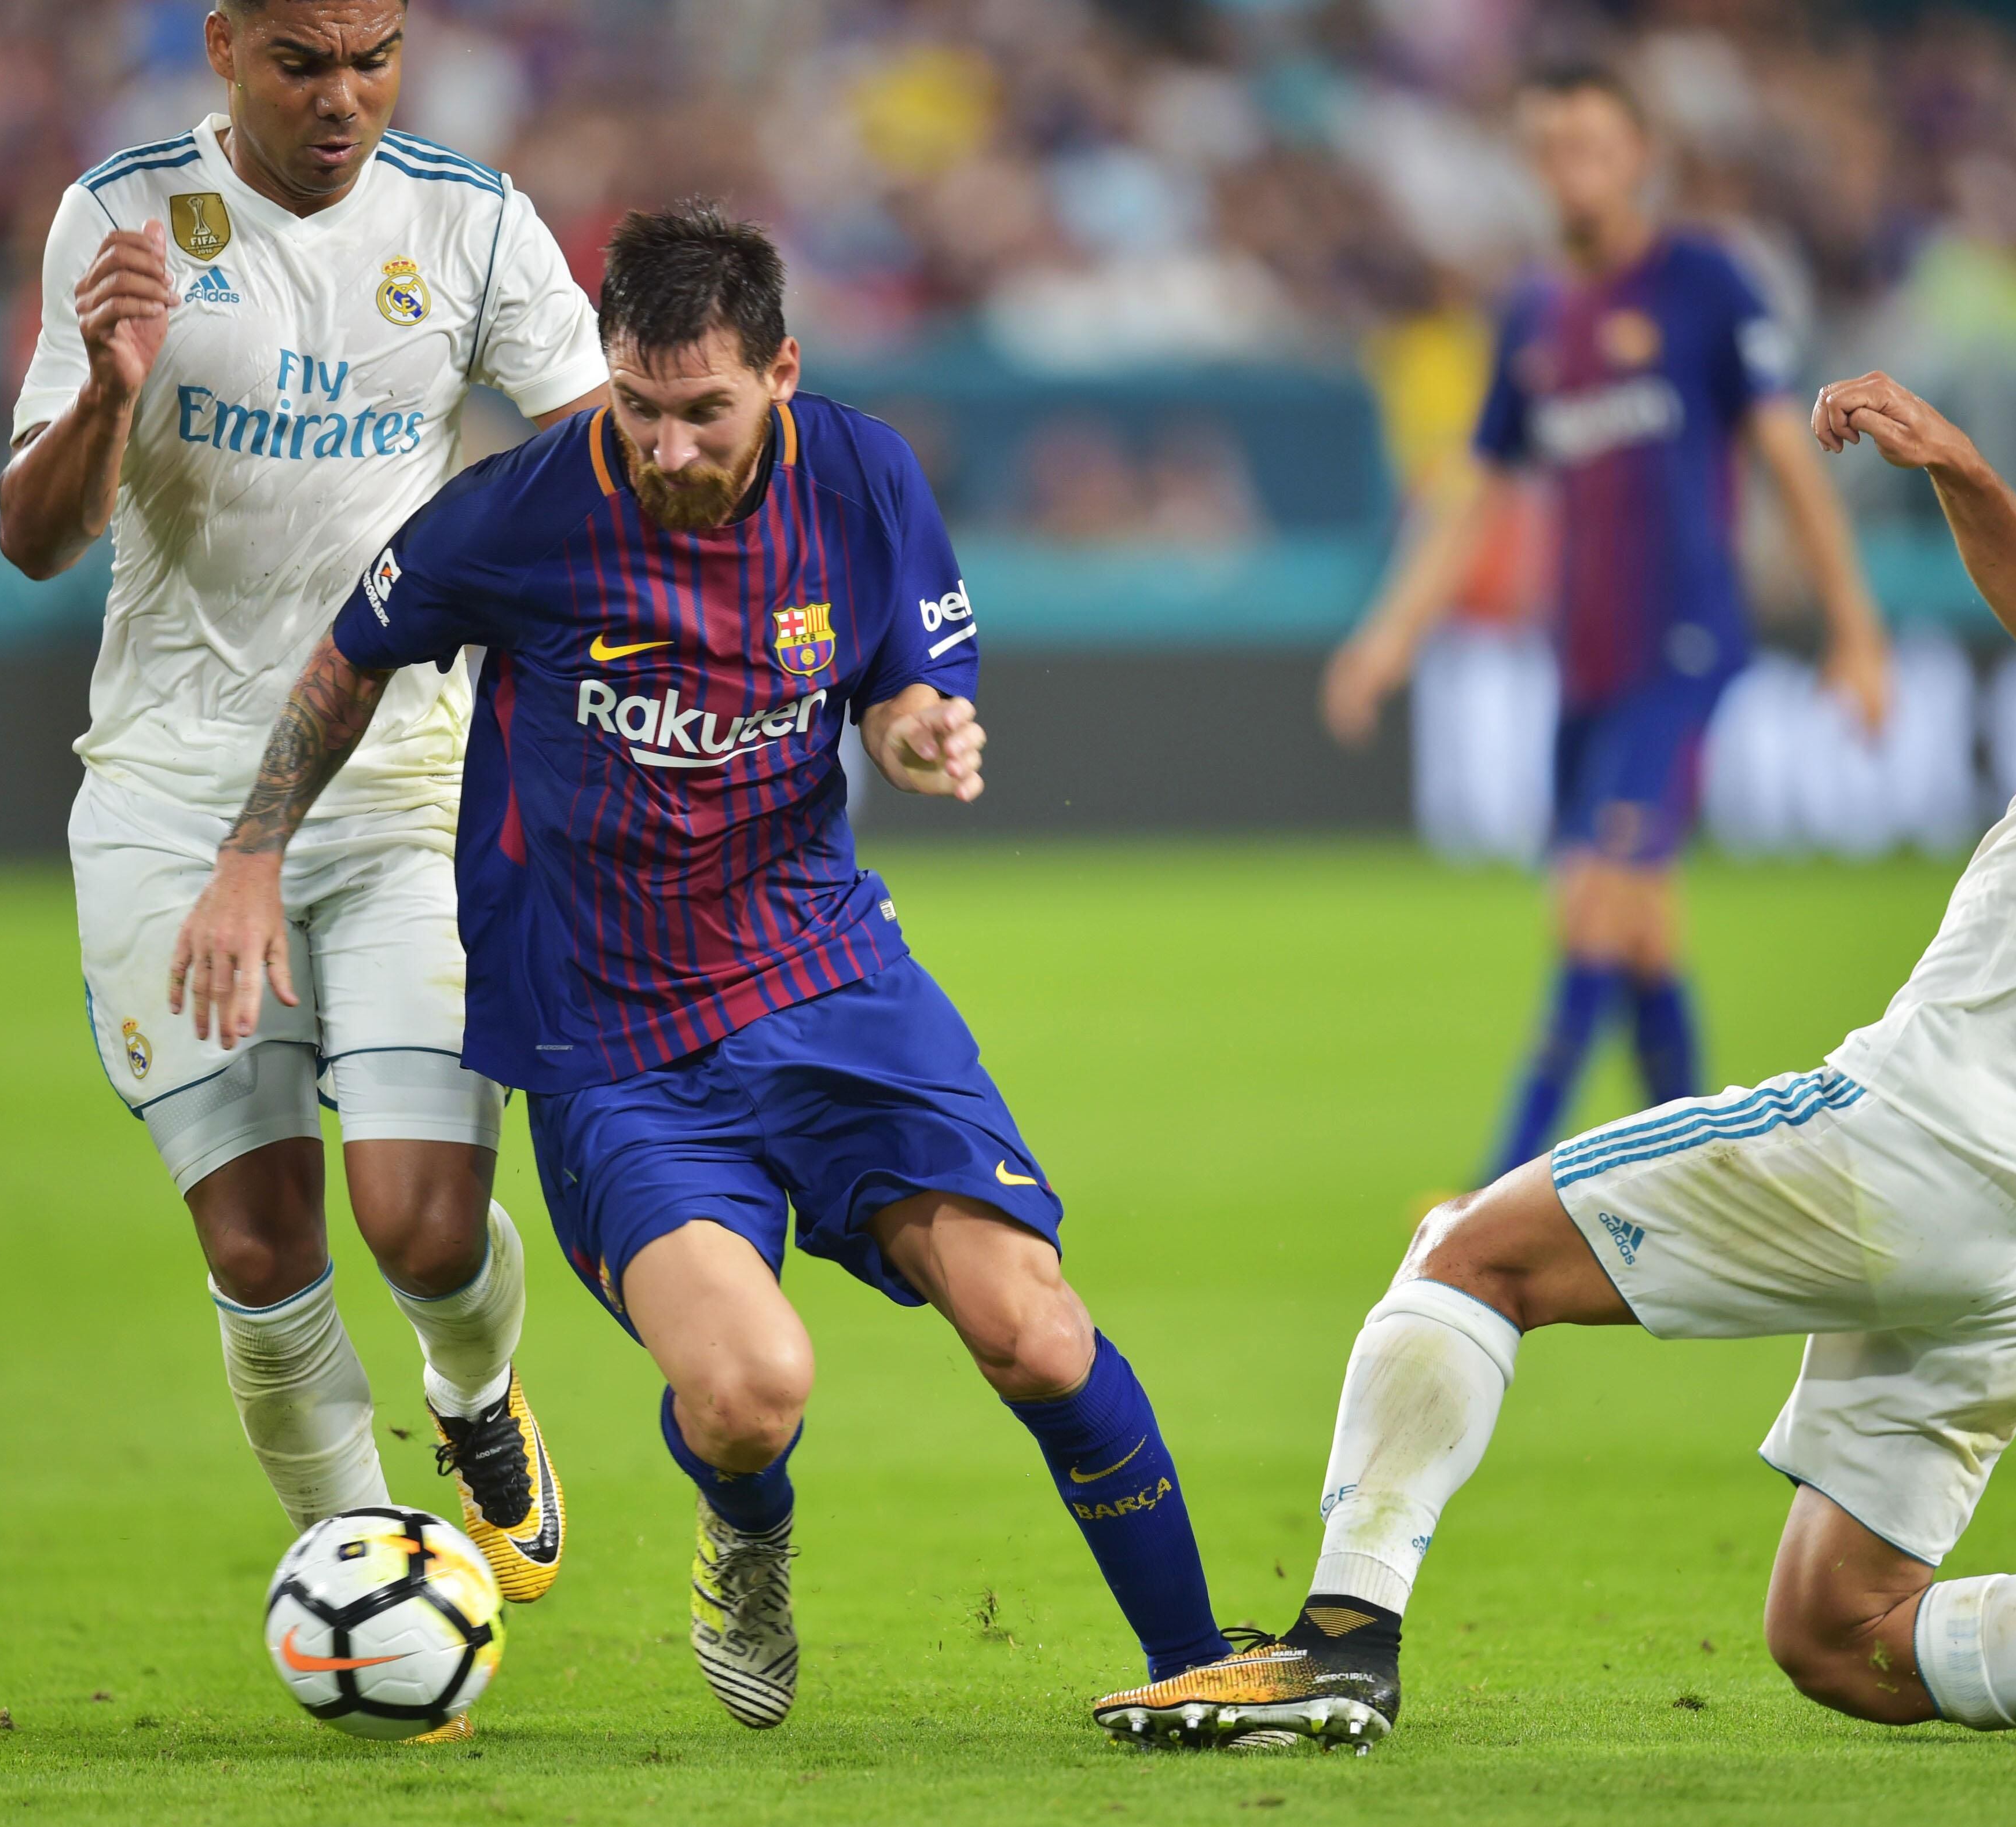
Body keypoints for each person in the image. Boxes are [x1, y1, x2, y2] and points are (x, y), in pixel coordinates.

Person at [1092, 323, 2016, 1752]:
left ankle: (1339, 1647)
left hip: (1917, 1140)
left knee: (1469, 1249)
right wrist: (1962, 470)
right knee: (1843, 1637)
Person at [171, 201, 1233, 1730]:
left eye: (704, 411)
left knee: (1035, 1326)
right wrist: (252, 853)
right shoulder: (518, 514)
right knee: (748, 1392)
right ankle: (744, 1529)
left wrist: (915, 723)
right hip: (616, 1049)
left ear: (782, 372)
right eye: (639, 407)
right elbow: (351, 652)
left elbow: (908, 673)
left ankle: (1203, 1661)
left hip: (827, 982)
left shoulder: (863, 474)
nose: (666, 446)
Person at [0, 0, 609, 1619]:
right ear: (224, 46)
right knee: (263, 1251)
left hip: (401, 782)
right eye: (301, 62)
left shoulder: (472, 222)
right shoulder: (120, 213)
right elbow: (33, 539)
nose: (343, 97)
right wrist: (110, 393)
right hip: (170, 798)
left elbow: (601, 463)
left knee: (421, 1221)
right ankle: (378, 1577)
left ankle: (475, 1396)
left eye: (374, 56)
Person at [1322, 64, 1892, 1179]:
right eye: (1548, 148)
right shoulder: (1533, 312)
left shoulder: (1704, 285)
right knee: (1635, 926)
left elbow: (1787, 460)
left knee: (1595, 906)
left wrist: (1856, 631)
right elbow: (1475, 489)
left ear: (1639, 156)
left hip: (1681, 648)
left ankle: (1494, 1193)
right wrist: (1388, 634)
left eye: (1590, 144)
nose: (1568, 168)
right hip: (1582, 663)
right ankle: (1711, 1178)